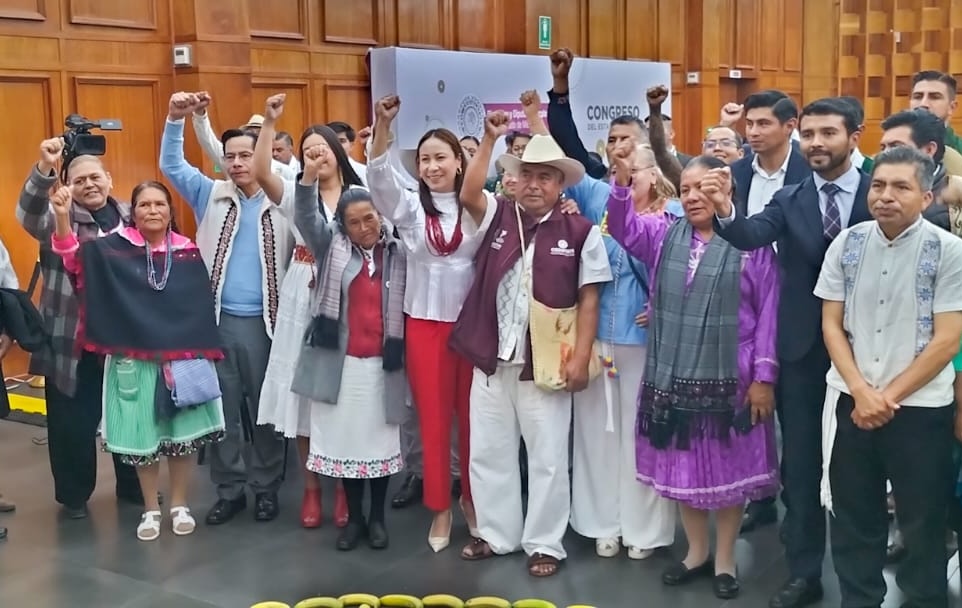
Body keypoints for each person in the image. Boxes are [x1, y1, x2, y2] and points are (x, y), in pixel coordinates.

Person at [712, 97, 873, 608]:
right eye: (810, 134)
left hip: (873, 353)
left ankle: (864, 584)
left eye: (829, 133)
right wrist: (726, 211)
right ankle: (805, 572)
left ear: (855, 134)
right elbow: (749, 234)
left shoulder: (880, 192)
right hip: (803, 354)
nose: (817, 143)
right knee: (800, 469)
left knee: (862, 471)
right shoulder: (790, 197)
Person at [608, 152, 780, 600]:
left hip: (734, 377)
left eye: (703, 187)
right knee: (683, 470)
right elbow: (624, 229)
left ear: (725, 191)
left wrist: (764, 376)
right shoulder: (665, 235)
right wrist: (623, 184)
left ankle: (725, 559)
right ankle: (696, 553)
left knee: (728, 471)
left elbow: (768, 316)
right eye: (685, 189)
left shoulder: (752, 242)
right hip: (674, 374)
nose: (692, 196)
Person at [450, 117, 611, 578]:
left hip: (544, 367)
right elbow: (467, 195)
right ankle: (496, 534)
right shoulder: (498, 216)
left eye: (545, 176)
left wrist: (581, 358)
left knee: (546, 457)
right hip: (490, 358)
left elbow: (590, 298)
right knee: (487, 451)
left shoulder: (581, 232)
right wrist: (487, 139)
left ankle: (544, 543)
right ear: (514, 180)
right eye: (527, 175)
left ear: (561, 184)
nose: (534, 184)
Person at [815, 146, 962, 608]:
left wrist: (887, 397)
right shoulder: (848, 242)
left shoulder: (949, 251)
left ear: (927, 196)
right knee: (854, 519)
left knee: (922, 523)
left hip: (919, 410)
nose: (885, 196)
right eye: (878, 185)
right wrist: (860, 391)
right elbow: (831, 324)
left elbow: (947, 340)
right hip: (851, 401)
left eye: (901, 187)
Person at [50, 180, 225, 541]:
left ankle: (179, 504)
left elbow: (196, 306)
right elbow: (70, 256)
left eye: (159, 204)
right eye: (144, 205)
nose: (152, 211)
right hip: (133, 359)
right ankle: (150, 508)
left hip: (181, 359)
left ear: (169, 210)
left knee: (182, 438)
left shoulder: (188, 250)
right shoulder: (113, 249)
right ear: (133, 211)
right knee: (142, 437)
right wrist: (63, 216)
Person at [161, 91, 294, 526]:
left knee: (265, 413)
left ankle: (266, 487)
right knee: (219, 410)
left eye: (246, 154)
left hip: (267, 326)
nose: (238, 163)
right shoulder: (211, 195)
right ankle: (230, 489)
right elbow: (173, 166)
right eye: (231, 156)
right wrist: (176, 120)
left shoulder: (284, 199)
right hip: (216, 323)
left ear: (263, 158)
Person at [367, 95, 494, 551]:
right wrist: (383, 124)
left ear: (460, 162)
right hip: (424, 326)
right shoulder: (407, 207)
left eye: (441, 157)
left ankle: (474, 502)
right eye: (425, 159)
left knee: (475, 423)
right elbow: (378, 175)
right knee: (434, 422)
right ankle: (440, 507)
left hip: (472, 329)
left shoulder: (482, 205)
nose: (433, 166)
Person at [252, 94, 363, 529]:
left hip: (348, 293)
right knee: (302, 394)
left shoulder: (359, 193)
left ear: (338, 152)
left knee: (343, 391)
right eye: (309, 149)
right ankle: (313, 489)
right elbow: (260, 171)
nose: (317, 154)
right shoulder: (295, 194)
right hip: (303, 289)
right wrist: (269, 122)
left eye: (324, 148)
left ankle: (342, 486)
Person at [16, 141, 141, 519]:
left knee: (129, 414)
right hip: (71, 338)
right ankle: (74, 497)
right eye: (79, 179)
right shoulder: (60, 215)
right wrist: (45, 167)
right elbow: (27, 213)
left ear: (109, 179)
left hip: (126, 339)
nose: (89, 184)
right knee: (71, 419)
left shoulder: (130, 215)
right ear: (67, 184)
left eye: (95, 177)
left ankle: (134, 485)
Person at [292, 151, 405, 550]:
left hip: (384, 366)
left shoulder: (399, 250)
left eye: (369, 218)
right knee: (346, 447)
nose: (364, 228)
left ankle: (377, 520)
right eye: (354, 222)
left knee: (380, 446)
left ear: (381, 215)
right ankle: (353, 520)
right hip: (341, 366)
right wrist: (308, 176)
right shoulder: (331, 248)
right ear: (342, 226)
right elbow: (306, 216)